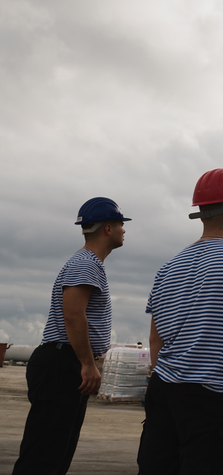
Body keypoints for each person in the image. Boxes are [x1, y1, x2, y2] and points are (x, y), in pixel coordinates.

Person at [136, 169, 223, 475]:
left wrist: (170, 382)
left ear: (201, 214)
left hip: (163, 393)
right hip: (213, 398)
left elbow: (156, 341)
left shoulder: (167, 269)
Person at [13, 197, 129, 475]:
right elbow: (73, 316)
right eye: (121, 224)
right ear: (108, 229)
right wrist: (87, 364)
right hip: (62, 362)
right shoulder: (86, 264)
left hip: (65, 362)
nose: (125, 230)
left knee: (55, 454)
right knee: (43, 456)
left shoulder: (88, 263)